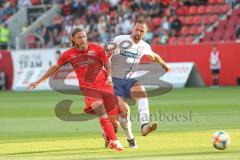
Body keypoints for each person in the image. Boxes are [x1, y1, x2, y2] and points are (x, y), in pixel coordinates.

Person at [27, 28, 123, 151]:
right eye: (79, 37)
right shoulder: (68, 54)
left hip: (105, 87)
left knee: (114, 124)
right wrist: (38, 81)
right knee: (100, 111)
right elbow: (54, 68)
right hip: (89, 89)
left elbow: (107, 65)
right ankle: (115, 141)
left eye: (84, 36)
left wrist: (109, 77)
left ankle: (108, 135)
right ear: (73, 39)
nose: (83, 39)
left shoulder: (97, 49)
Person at [106, 19, 170, 148]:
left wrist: (164, 65)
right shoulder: (120, 39)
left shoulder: (144, 46)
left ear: (145, 33)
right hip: (114, 81)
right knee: (124, 112)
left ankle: (145, 125)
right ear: (132, 28)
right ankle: (130, 139)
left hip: (130, 80)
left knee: (142, 92)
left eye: (142, 31)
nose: (138, 32)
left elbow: (154, 56)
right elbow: (105, 53)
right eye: (137, 29)